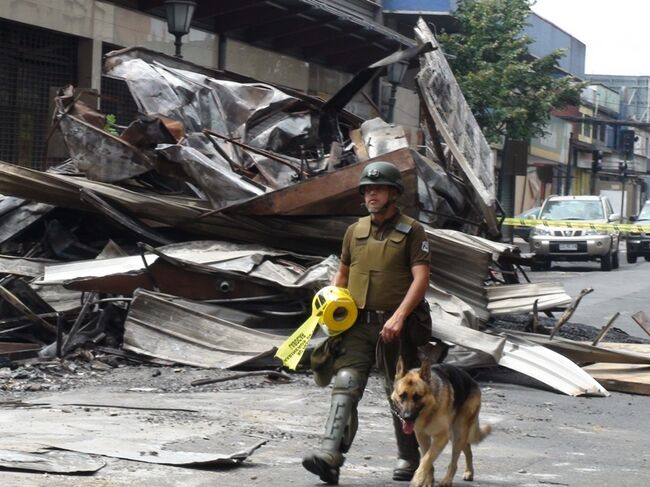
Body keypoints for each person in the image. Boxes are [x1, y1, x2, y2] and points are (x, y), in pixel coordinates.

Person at [302, 161, 433, 485]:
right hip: (358, 324)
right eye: (366, 189)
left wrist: (399, 317)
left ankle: (409, 456)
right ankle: (330, 454)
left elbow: (421, 278)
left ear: (393, 193)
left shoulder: (412, 231)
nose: (370, 194)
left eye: (378, 188)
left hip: (397, 326)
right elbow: (343, 274)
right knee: (346, 381)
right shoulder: (354, 231)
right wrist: (333, 305)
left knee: (401, 390)